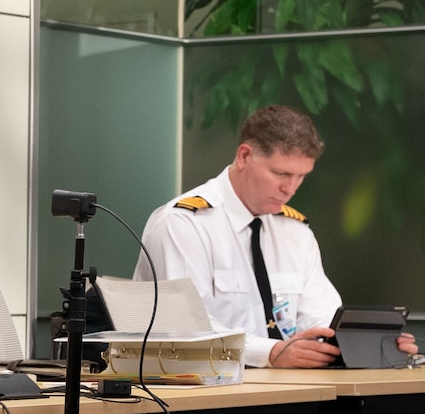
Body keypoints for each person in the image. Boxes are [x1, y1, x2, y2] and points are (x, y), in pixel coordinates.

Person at [134, 104, 414, 368]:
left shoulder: (294, 231)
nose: (290, 189)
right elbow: (184, 328)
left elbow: (321, 316)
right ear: (245, 156)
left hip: (286, 390)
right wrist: (270, 353)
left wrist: (369, 342)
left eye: (301, 176)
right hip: (198, 392)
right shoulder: (183, 223)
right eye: (280, 173)